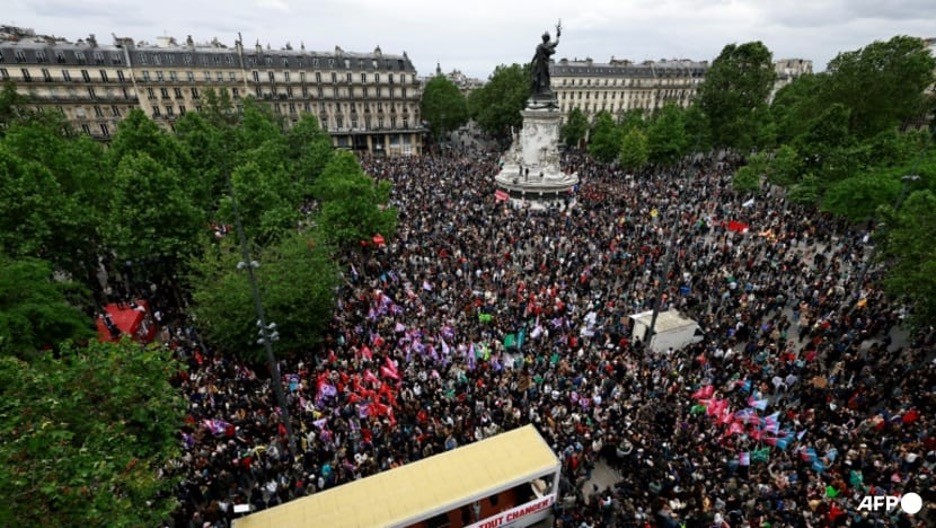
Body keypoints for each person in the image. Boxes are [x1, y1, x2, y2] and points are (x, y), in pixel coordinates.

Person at [530, 22, 561, 96]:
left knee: (544, 75)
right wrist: (558, 35)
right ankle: (540, 89)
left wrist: (558, 34)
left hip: (543, 63)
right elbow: (556, 42)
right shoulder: (542, 46)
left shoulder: (542, 46)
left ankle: (543, 89)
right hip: (541, 63)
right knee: (541, 76)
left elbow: (556, 42)